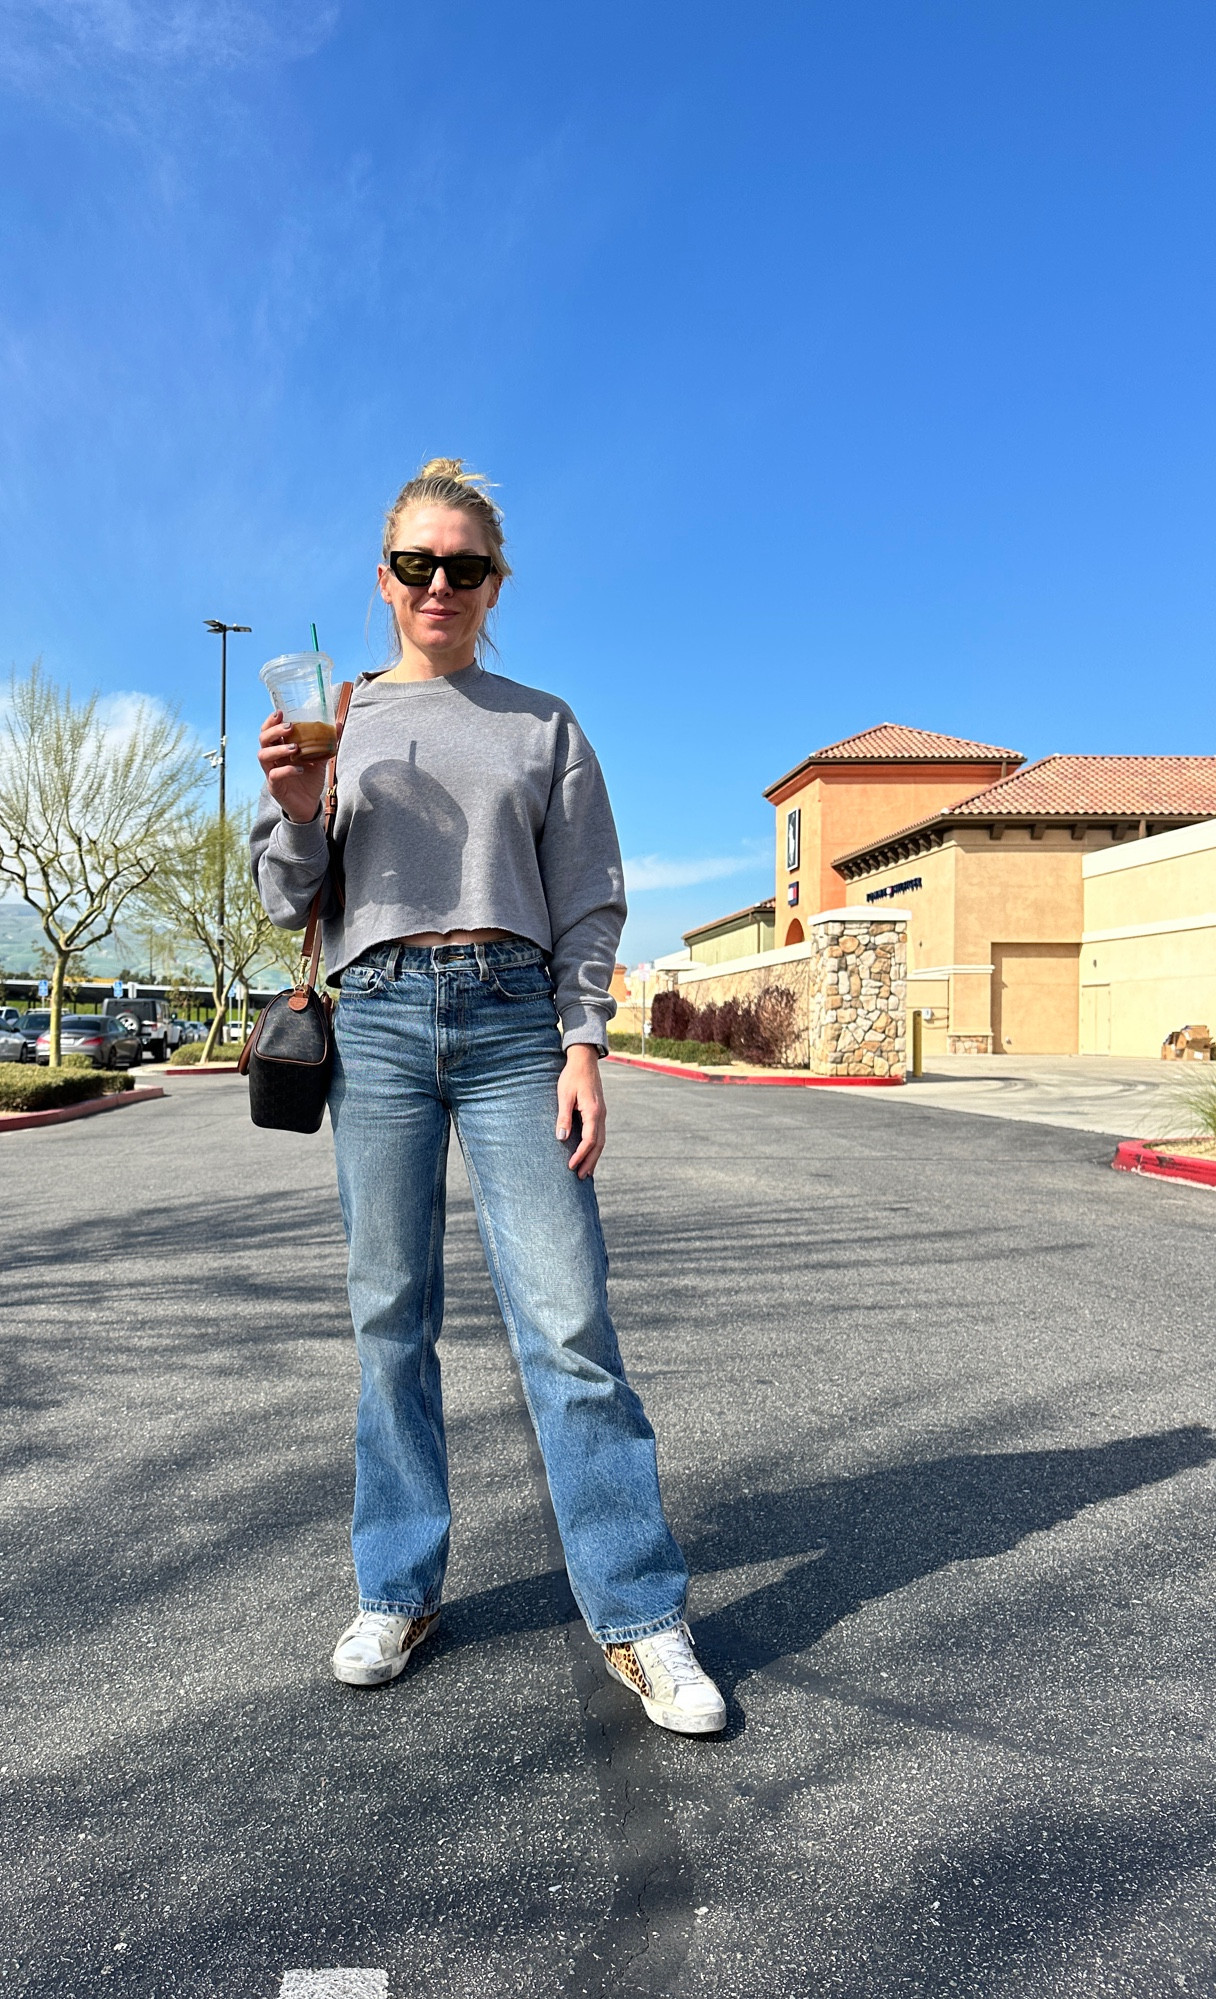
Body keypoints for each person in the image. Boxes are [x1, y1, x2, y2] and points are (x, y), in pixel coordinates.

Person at [251, 458, 724, 1736]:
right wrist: (298, 807)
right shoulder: (339, 720)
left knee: (568, 1320)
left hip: (518, 1021)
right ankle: (396, 1589)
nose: (440, 585)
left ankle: (636, 1612)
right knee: (389, 1315)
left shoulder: (542, 723)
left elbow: (591, 895)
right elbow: (288, 896)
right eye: (418, 564)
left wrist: (584, 1042)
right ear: (386, 579)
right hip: (384, 1020)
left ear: (496, 582)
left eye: (465, 565)